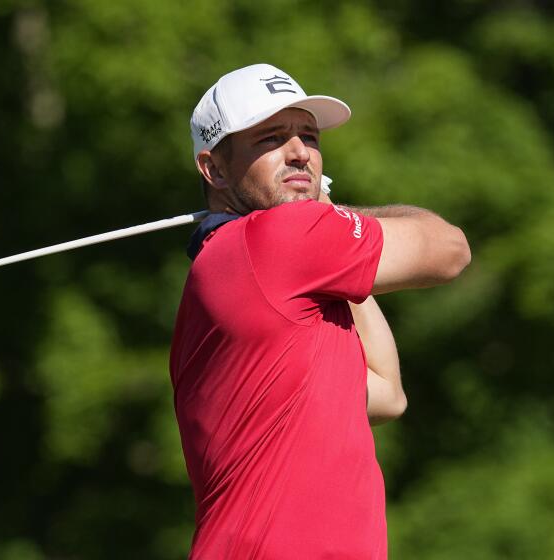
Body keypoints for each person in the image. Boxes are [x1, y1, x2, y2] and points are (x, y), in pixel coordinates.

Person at [169, 63, 471, 559]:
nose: (299, 153)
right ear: (215, 169)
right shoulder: (272, 242)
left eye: (308, 136)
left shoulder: (244, 271)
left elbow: (386, 393)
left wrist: (330, 234)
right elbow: (450, 249)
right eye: (271, 139)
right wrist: (330, 215)